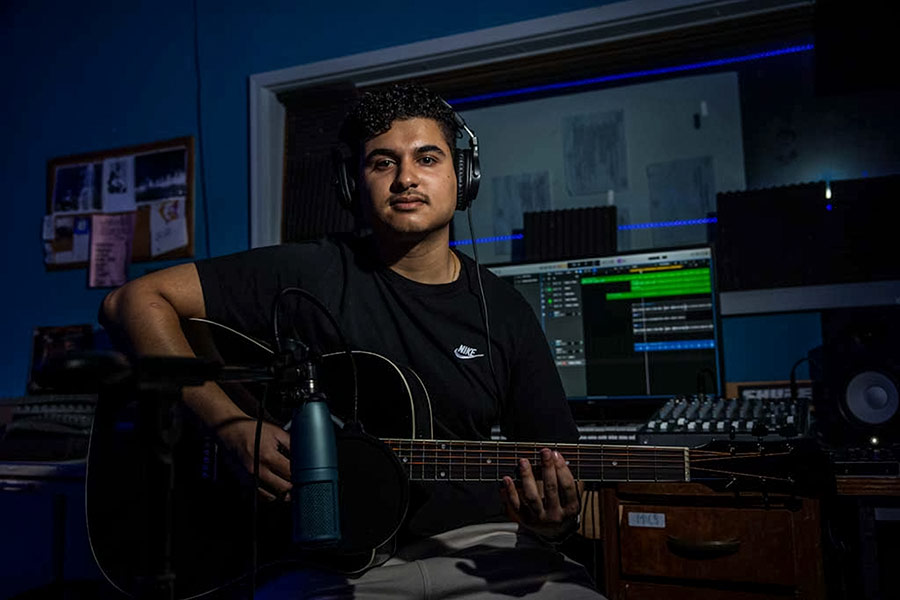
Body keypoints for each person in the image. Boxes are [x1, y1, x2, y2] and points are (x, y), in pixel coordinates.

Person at [100, 83, 603, 598]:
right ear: (352, 185)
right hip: (332, 565)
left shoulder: (506, 311)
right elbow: (134, 302)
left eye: (427, 158)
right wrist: (229, 425)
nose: (406, 178)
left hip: (482, 551)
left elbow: (561, 468)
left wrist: (551, 521)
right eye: (382, 163)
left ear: (463, 176)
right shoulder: (308, 271)